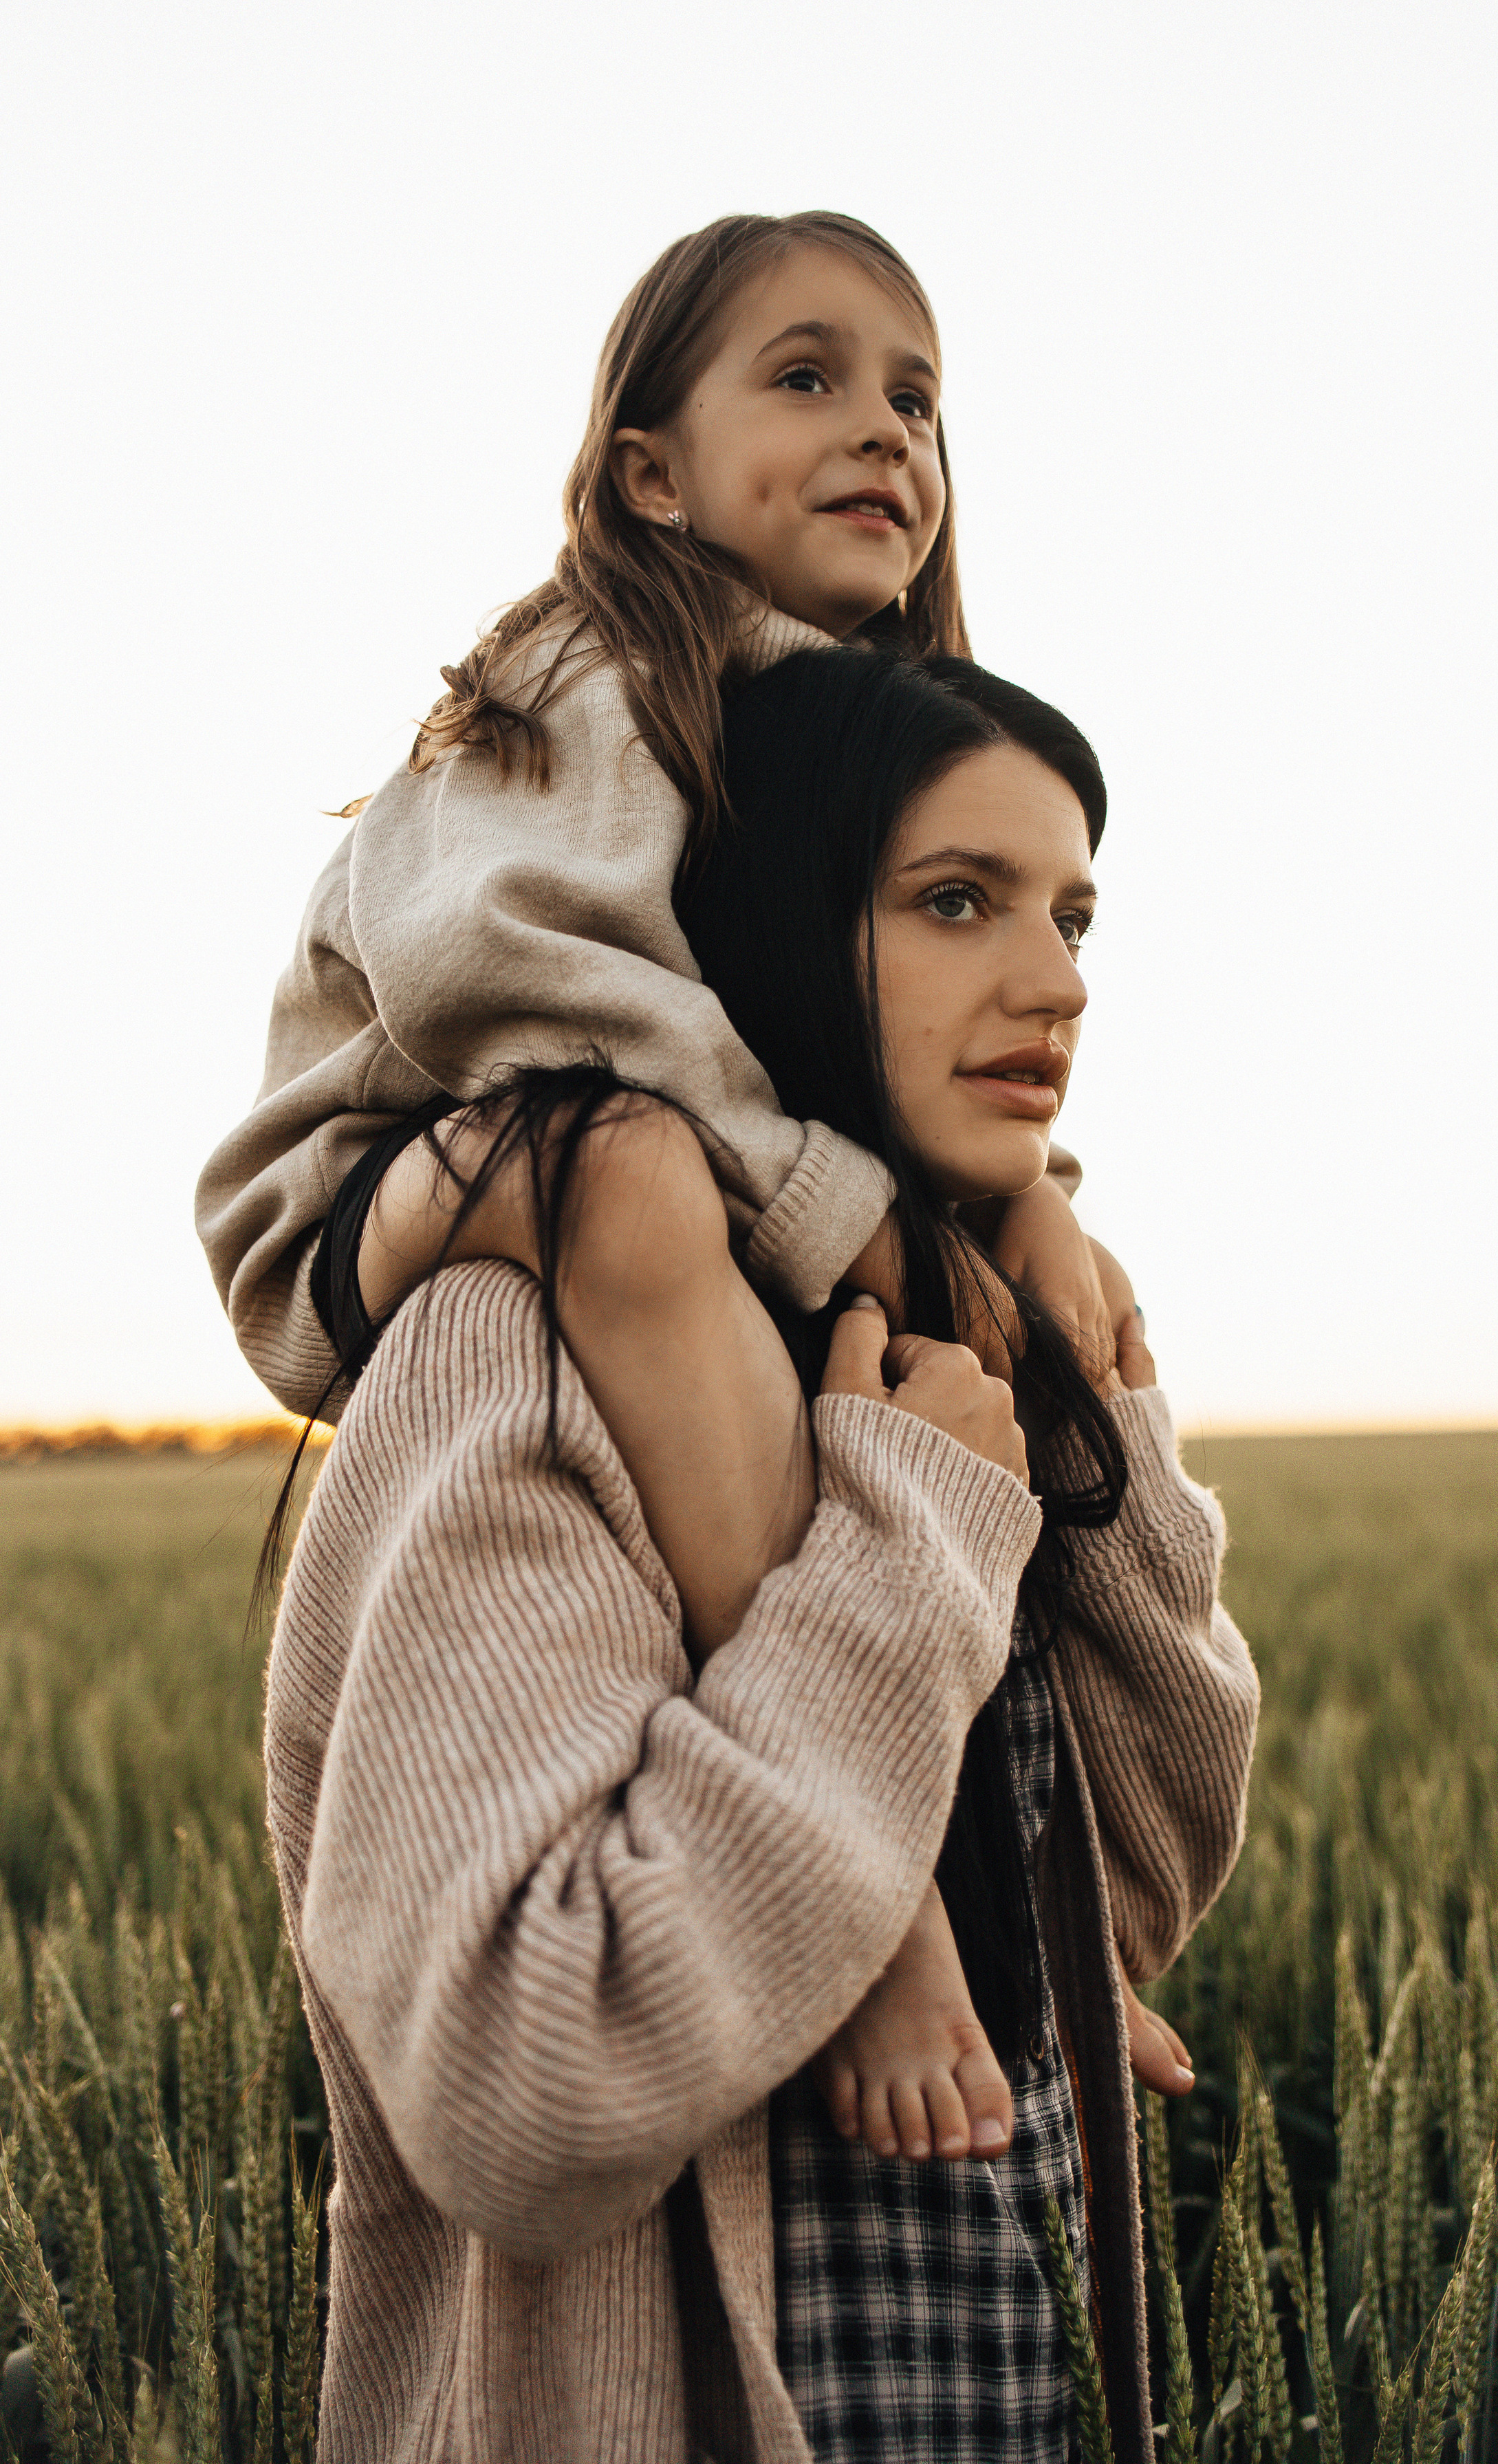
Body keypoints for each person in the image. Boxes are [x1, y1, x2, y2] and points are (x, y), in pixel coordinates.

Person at [201, 212, 1144, 2168]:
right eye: (807, 379)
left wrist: (1023, 1194)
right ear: (650, 471)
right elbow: (523, 992)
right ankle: (883, 1920)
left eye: (919, 398)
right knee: (630, 1185)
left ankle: (1003, 1897)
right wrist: (850, 1216)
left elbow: (871, 1013)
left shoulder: (844, 720)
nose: (885, 430)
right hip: (384, 1178)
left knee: (829, 1354)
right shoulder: (589, 667)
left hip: (638, 1147)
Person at [263, 642, 1261, 2462]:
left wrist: (1087, 1408)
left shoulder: (941, 1347)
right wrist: (898, 1558)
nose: (1054, 982)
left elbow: (1129, 1906)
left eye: (1074, 916)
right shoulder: (518, 1351)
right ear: (777, 920)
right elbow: (522, 2089)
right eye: (955, 902)